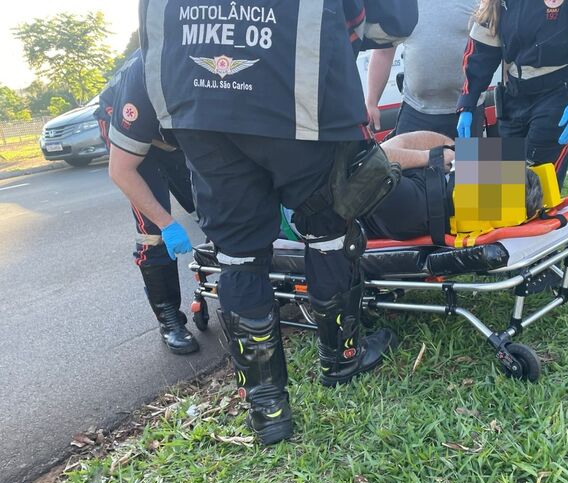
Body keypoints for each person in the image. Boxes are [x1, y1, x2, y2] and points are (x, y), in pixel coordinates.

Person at [139, 0, 418, 445]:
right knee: (327, 233)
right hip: (298, 106)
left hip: (200, 112)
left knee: (238, 256)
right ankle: (342, 358)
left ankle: (267, 408)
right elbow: (392, 23)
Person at [96, 51, 199, 355]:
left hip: (171, 132)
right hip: (131, 131)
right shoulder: (143, 79)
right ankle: (169, 319)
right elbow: (121, 171)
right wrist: (168, 224)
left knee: (208, 206)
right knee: (153, 229)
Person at [456, 0, 568, 189]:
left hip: (559, 96)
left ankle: (542, 213)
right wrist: (467, 104)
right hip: (514, 97)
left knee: (536, 187)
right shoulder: (497, 3)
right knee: (502, 191)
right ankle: (501, 214)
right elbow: (481, 55)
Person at [282, 131, 543, 243]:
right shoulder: (444, 189)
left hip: (296, 215)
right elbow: (421, 141)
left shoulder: (414, 206)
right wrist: (451, 151)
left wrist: (430, 156)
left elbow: (373, 161)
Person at [365, 0, 483, 139]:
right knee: (409, 160)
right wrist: (371, 103)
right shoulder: (403, 5)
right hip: (416, 112)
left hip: (466, 111)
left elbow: (492, 48)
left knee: (470, 161)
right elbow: (383, 53)